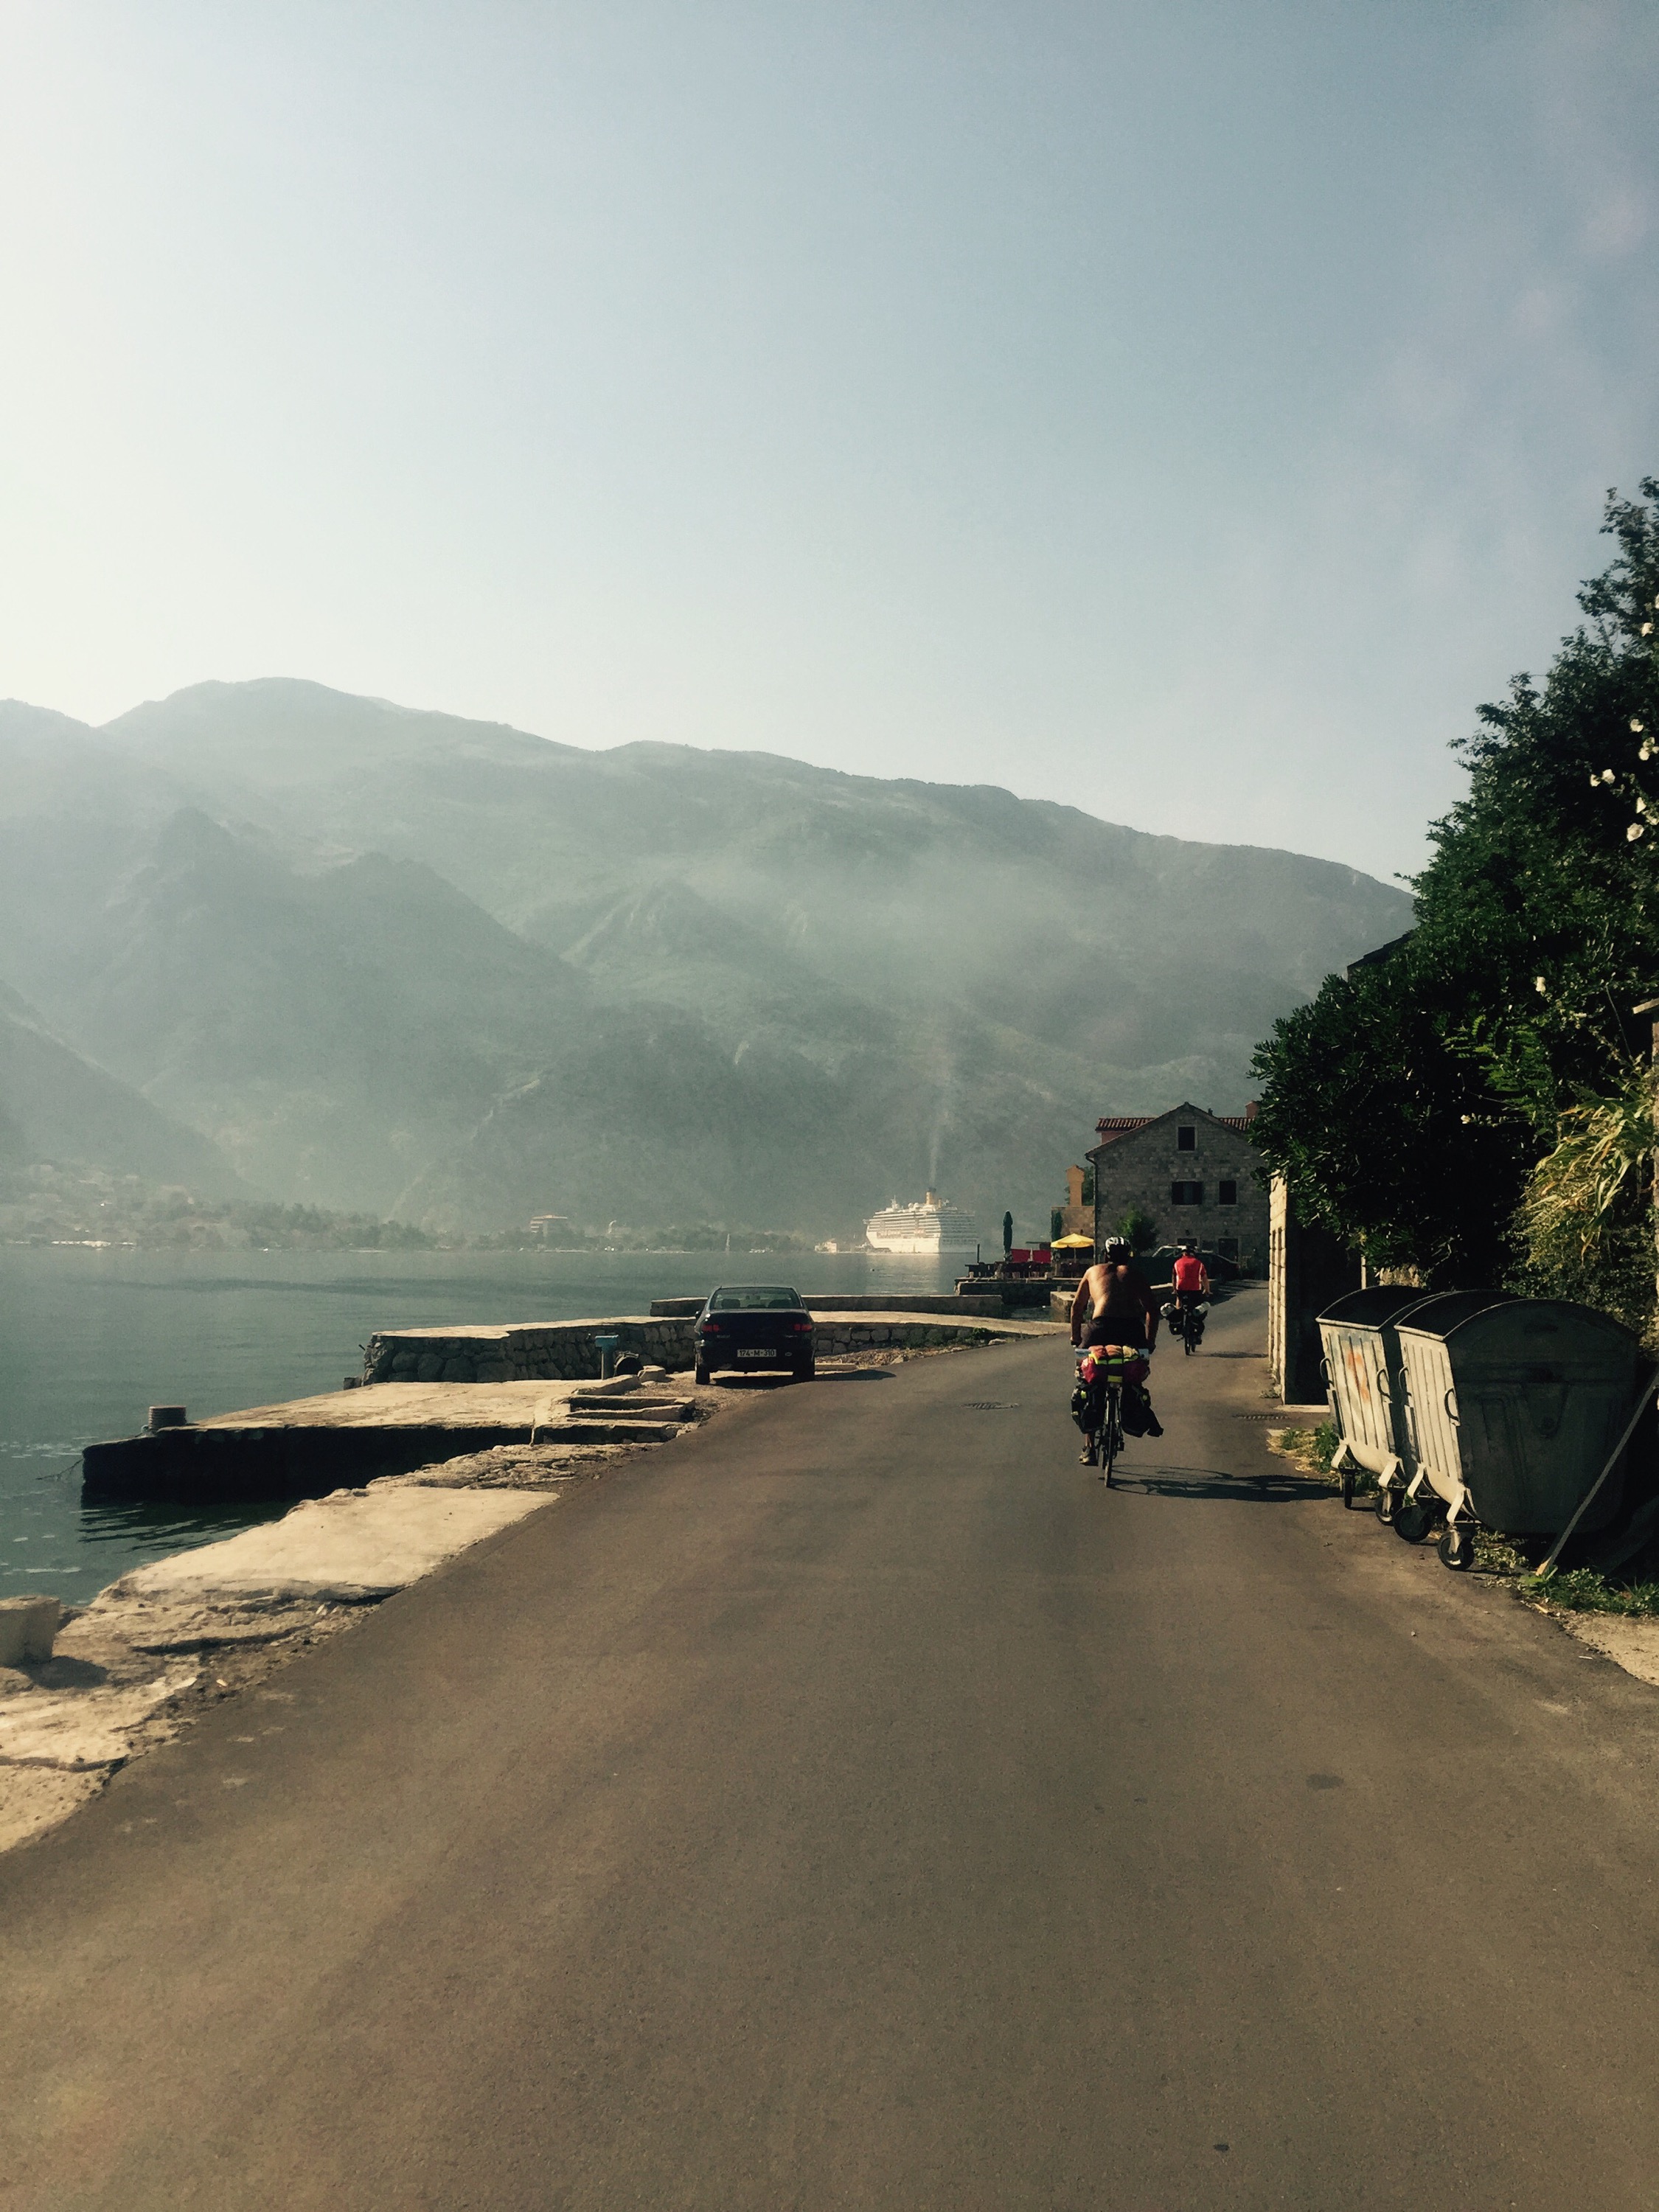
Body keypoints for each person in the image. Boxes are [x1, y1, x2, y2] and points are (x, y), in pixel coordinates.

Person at [1069, 1237, 1163, 1461]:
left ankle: (1089, 1448)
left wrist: (1075, 1337)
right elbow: (1153, 1310)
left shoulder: (1093, 1271)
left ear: (1105, 1255)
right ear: (1129, 1255)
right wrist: (1149, 1342)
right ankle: (1132, 1411)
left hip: (1099, 1328)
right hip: (1131, 1329)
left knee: (1087, 1379)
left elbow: (1077, 1307)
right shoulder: (1135, 1274)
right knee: (1133, 1376)